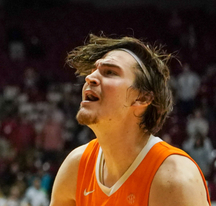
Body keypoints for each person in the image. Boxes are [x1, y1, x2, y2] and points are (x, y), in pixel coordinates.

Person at [49, 35, 210, 206]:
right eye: (93, 71)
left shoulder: (173, 180)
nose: (90, 78)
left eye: (110, 72)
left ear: (141, 98)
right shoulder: (76, 167)